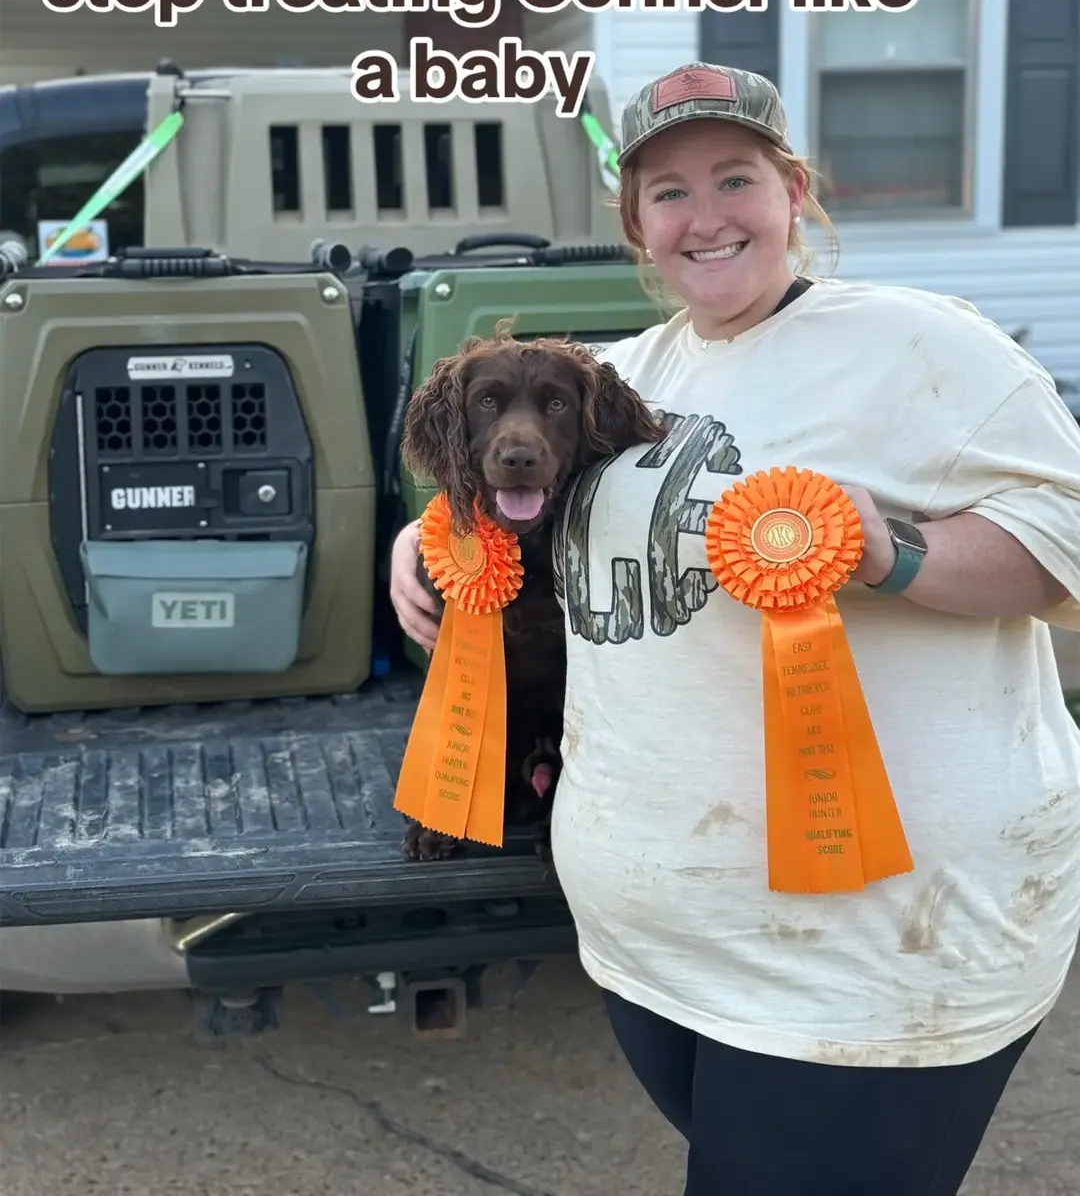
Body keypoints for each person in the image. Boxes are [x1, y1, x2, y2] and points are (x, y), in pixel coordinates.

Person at [388, 62, 1080, 1196]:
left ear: (794, 191)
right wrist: (420, 545)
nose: (704, 216)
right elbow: (509, 489)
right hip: (655, 950)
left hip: (872, 961)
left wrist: (889, 552)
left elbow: (1067, 534)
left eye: (735, 179)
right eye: (668, 193)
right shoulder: (623, 378)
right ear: (636, 227)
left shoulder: (926, 345)